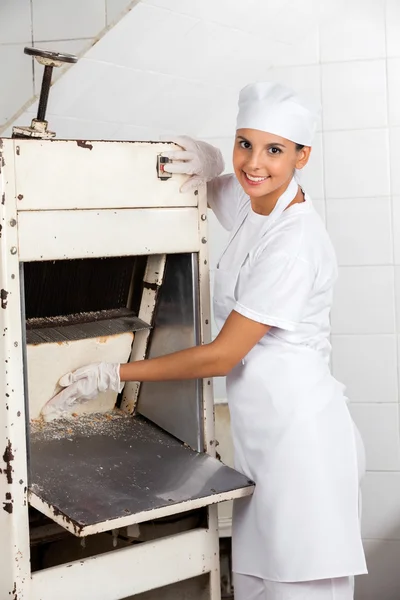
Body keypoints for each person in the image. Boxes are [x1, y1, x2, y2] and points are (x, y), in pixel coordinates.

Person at [45, 82, 367, 600]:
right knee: (260, 590)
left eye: (275, 150)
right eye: (244, 143)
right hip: (266, 445)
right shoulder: (256, 207)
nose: (254, 163)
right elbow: (216, 187)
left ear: (303, 156)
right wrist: (210, 159)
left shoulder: (294, 244)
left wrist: (114, 374)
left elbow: (222, 355)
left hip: (305, 450)